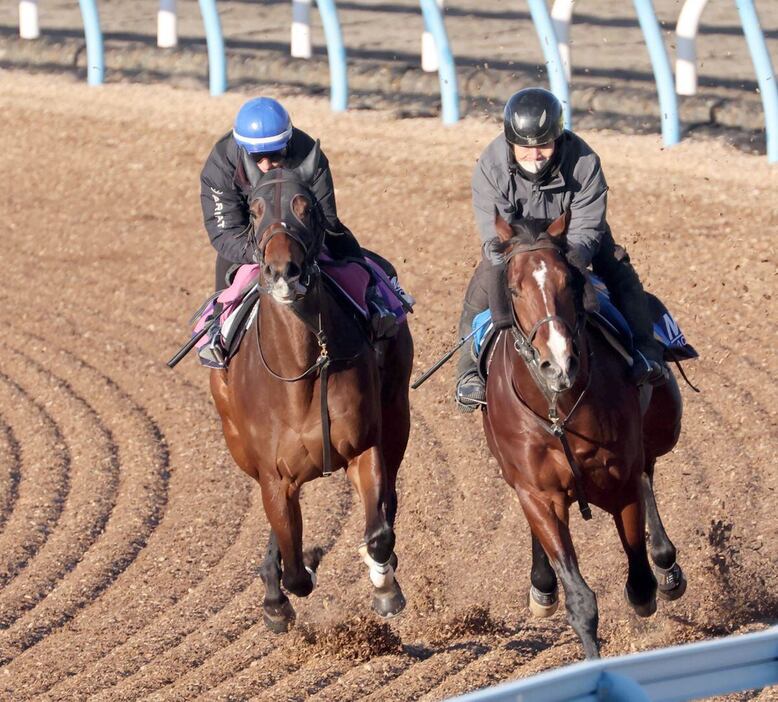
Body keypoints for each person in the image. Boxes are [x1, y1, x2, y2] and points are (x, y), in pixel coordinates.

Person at [455, 87, 668, 412]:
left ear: (559, 138)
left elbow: (586, 228)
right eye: (524, 148)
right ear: (510, 142)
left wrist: (567, 261)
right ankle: (468, 373)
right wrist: (519, 259)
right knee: (486, 275)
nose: (534, 155)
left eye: (543, 145)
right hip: (517, 243)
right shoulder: (490, 165)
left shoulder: (584, 161)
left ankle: (645, 350)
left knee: (619, 269)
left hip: (570, 240)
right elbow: (493, 233)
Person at [199, 96, 396, 337]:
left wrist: (298, 251)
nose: (267, 164)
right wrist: (264, 254)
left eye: (275, 154)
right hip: (249, 234)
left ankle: (375, 304)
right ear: (241, 151)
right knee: (226, 270)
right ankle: (218, 329)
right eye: (256, 158)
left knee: (340, 239)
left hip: (302, 232)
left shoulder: (309, 155)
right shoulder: (219, 166)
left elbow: (326, 219)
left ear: (288, 143)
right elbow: (225, 231)